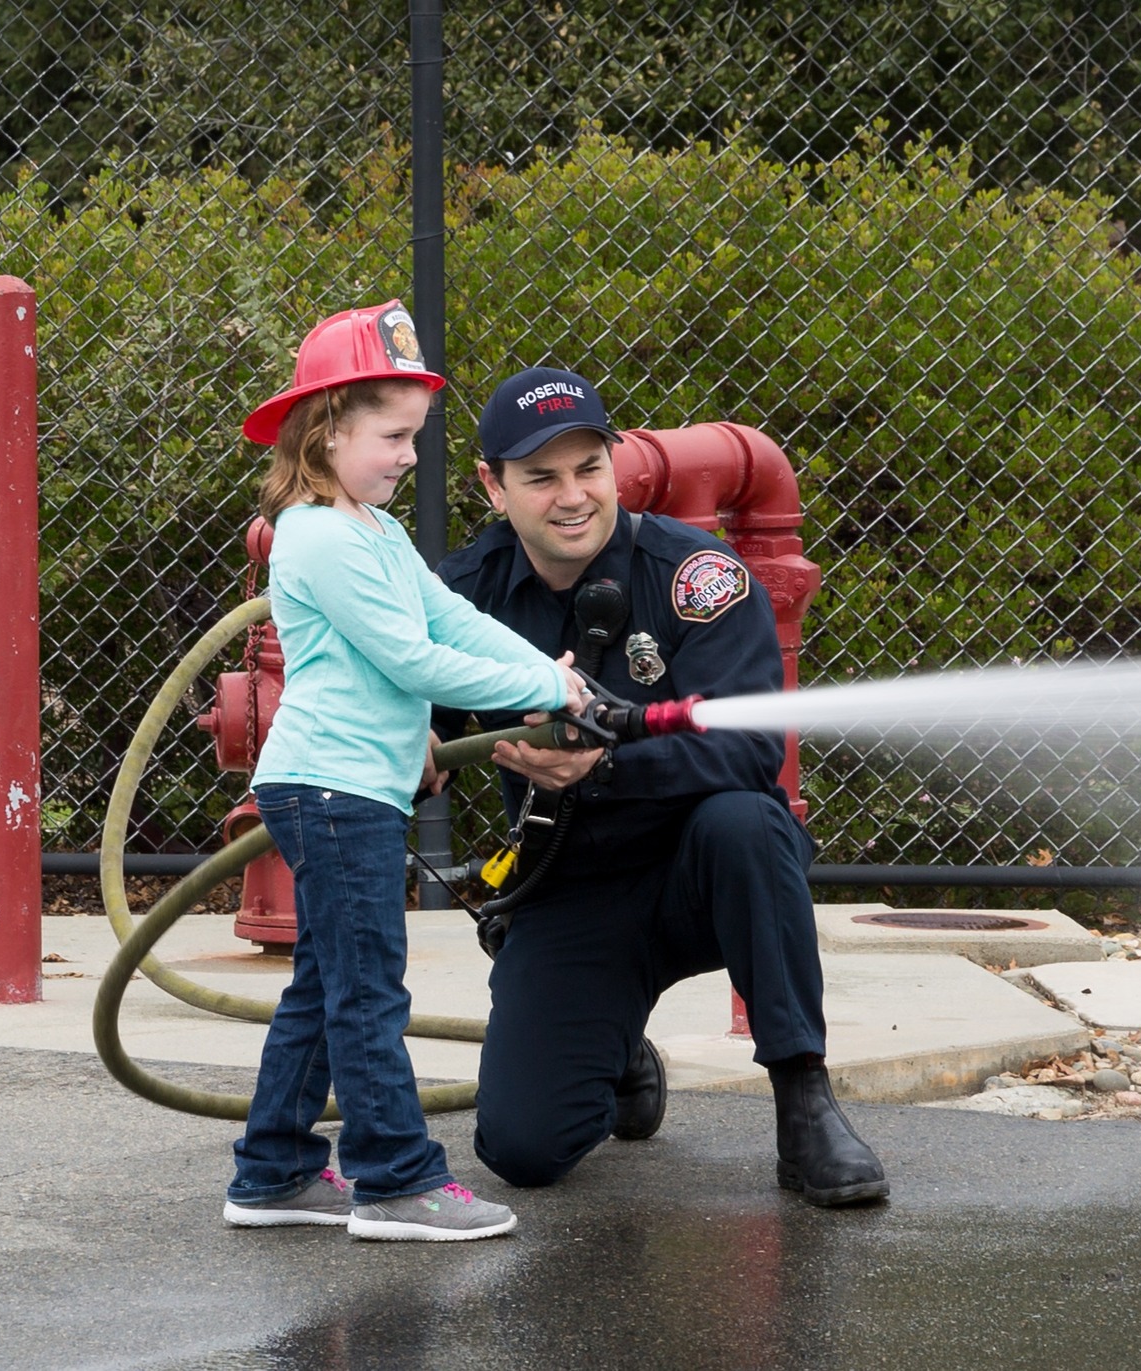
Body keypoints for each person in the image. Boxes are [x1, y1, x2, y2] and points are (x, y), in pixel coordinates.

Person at [433, 366, 889, 1207]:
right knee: (523, 1149)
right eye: (540, 478)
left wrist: (604, 763)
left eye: (589, 468)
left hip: (702, 874)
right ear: (493, 488)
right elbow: (415, 717)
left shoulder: (696, 577)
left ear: (614, 464)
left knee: (750, 823)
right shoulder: (464, 595)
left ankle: (804, 1102)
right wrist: (412, 743)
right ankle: (618, 1048)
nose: (572, 498)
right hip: (569, 887)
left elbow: (749, 748)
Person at [221, 304, 586, 1242]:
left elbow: (452, 623)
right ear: (328, 426)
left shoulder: (374, 532)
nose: (408, 456)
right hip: (332, 790)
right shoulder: (319, 536)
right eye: (392, 436)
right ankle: (394, 1179)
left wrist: (553, 668)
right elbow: (412, 660)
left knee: (325, 980)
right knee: (368, 987)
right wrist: (544, 682)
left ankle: (273, 1171)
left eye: (415, 438)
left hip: (359, 785)